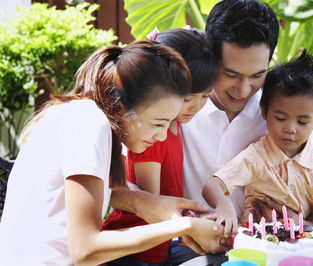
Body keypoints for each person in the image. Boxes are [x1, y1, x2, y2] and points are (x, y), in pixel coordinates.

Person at [0, 40, 224, 265]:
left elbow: (99, 191)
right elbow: (85, 250)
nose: (163, 136)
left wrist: (149, 203)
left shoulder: (82, 115)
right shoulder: (88, 122)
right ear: (120, 108)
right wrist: (184, 226)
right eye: (158, 123)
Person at [181, 0, 313, 225]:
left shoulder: (288, 110)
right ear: (211, 58)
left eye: (257, 76)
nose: (242, 90)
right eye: (231, 74)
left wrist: (304, 223)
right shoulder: (180, 105)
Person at [101, 28, 219, 266]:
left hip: (158, 248)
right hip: (133, 252)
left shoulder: (173, 127)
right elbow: (151, 204)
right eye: (187, 98)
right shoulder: (150, 137)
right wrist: (194, 222)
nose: (196, 106)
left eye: (205, 97)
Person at [202, 51, 313, 241]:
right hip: (257, 244)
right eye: (280, 118)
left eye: (302, 122)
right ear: (264, 112)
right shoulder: (256, 156)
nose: (290, 129)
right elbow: (212, 186)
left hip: (303, 245)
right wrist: (223, 205)